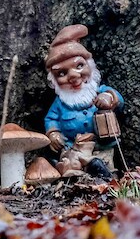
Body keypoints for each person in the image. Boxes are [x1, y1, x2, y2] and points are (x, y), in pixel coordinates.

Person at [43, 24, 123, 180]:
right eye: (62, 73)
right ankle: (77, 177)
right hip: (73, 148)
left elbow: (117, 99)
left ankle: (106, 175)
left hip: (102, 146)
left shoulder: (98, 90)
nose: (73, 76)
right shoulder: (60, 103)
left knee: (104, 164)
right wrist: (53, 134)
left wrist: (108, 97)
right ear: (54, 80)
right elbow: (51, 119)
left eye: (79, 65)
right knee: (72, 165)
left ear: (90, 66)